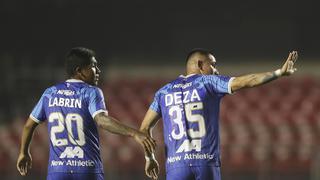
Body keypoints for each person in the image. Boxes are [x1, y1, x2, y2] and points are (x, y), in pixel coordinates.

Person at [140, 49, 298, 180]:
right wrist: (278, 72)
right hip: (205, 163)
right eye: (213, 64)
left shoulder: (163, 93)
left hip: (175, 168)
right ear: (200, 65)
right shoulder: (208, 82)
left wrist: (150, 158)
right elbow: (247, 80)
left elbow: (144, 129)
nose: (216, 70)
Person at [16, 47, 156, 180]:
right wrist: (134, 133)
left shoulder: (49, 93)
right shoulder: (90, 92)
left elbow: (29, 126)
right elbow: (101, 120)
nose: (98, 70)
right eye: (93, 66)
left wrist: (24, 152)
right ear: (80, 71)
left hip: (58, 171)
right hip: (86, 169)